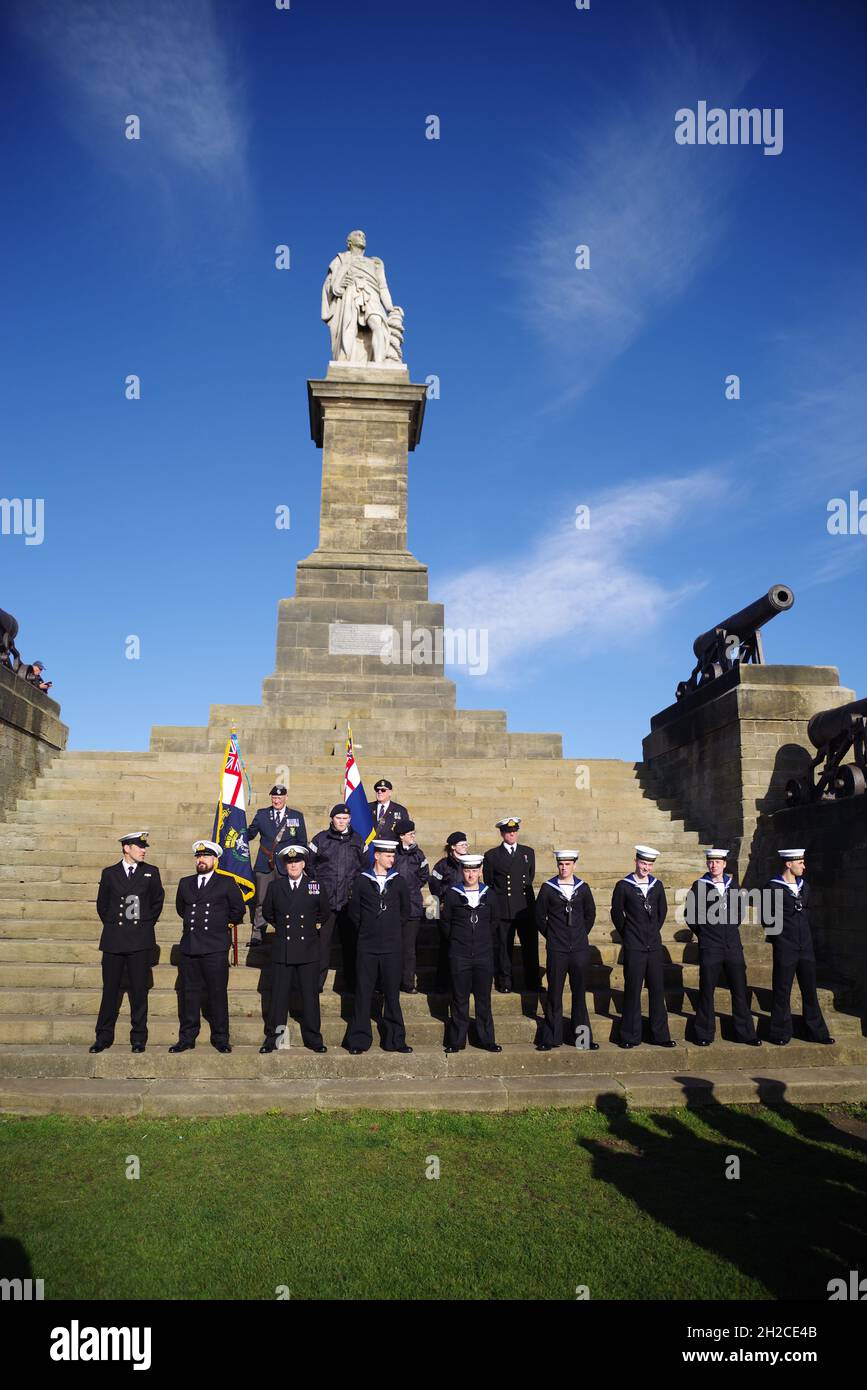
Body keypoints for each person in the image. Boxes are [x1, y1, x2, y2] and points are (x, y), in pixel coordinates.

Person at [90, 831, 164, 1054]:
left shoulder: (151, 872)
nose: (144, 850)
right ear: (126, 848)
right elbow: (102, 905)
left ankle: (138, 1037)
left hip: (140, 941)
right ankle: (103, 1036)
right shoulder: (110, 873)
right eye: (140, 847)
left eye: (145, 847)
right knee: (110, 991)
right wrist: (114, 926)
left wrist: (142, 926)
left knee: (139, 991)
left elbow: (156, 903)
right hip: (114, 940)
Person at [170, 840, 246, 1054]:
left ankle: (221, 1037)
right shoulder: (185, 883)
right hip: (191, 946)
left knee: (217, 993)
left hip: (215, 946)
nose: (201, 860)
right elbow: (180, 909)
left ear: (215, 860)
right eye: (198, 857)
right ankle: (187, 1037)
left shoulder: (227, 882)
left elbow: (238, 910)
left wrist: (220, 926)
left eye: (206, 857)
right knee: (189, 994)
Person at [342, 839, 412, 1054]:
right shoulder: (362, 881)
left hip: (391, 947)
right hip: (367, 946)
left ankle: (395, 1040)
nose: (392, 858)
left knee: (392, 994)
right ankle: (358, 1040)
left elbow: (404, 912)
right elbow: (354, 913)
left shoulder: (398, 881)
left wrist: (389, 929)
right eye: (388, 855)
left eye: (393, 855)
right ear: (377, 856)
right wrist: (369, 929)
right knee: (363, 993)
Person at [684, 848, 760, 1047]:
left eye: (717, 861)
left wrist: (727, 928)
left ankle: (745, 1033)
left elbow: (739, 911)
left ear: (725, 864)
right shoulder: (699, 886)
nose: (713, 865)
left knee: (739, 989)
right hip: (710, 945)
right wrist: (705, 932)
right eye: (710, 861)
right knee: (707, 989)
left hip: (732, 945)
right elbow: (690, 914)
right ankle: (703, 1033)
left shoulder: (732, 885)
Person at [761, 849, 834, 1047]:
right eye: (800, 862)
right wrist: (781, 940)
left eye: (803, 862)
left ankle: (816, 1032)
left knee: (810, 990)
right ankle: (779, 1032)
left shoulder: (805, 886)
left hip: (806, 947)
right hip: (786, 947)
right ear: (788, 864)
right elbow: (767, 919)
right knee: (782, 990)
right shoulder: (772, 887)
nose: (804, 866)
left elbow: (807, 912)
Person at [260, 846, 328, 1054]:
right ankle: (275, 1038)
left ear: (304, 864)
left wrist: (309, 927)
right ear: (284, 865)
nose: (293, 865)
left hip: (307, 948)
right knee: (279, 998)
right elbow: (269, 913)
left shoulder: (314, 885)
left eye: (297, 862)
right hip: (284, 948)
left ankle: (313, 1039)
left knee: (310, 997)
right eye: (289, 863)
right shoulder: (275, 887)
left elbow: (324, 912)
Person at [610, 846, 675, 1050]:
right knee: (632, 990)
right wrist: (628, 934)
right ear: (636, 861)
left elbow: (662, 912)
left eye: (649, 864)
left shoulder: (657, 885)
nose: (646, 867)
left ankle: (660, 1035)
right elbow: (617, 914)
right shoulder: (624, 885)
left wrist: (652, 931)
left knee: (657, 990)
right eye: (643, 863)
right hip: (634, 946)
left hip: (653, 946)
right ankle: (630, 1035)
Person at [535, 850, 599, 1051]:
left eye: (568, 864)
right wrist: (553, 936)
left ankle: (582, 1039)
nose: (564, 867)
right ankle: (551, 1038)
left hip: (579, 949)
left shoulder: (583, 888)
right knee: (554, 993)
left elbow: (590, 915)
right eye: (561, 864)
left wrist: (579, 935)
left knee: (579, 994)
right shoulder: (548, 888)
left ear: (575, 865)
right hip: (557, 949)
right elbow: (539, 917)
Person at [441, 854, 502, 1053]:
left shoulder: (489, 894)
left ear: (480, 872)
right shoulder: (452, 894)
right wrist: (459, 940)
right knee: (459, 999)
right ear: (462, 871)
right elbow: (446, 922)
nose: (470, 875)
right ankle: (457, 1041)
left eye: (474, 871)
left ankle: (487, 1040)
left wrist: (482, 939)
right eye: (467, 871)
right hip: (460, 954)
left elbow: (494, 921)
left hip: (484, 954)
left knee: (484, 999)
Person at [308, 804, 367, 992]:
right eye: (338, 818)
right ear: (332, 819)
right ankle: (316, 983)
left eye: (345, 818)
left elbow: (364, 867)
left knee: (351, 946)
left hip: (349, 902)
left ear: (350, 819)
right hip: (326, 902)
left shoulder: (358, 840)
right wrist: (319, 888)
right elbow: (309, 865)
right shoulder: (320, 839)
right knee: (322, 945)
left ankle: (352, 983)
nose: (341, 821)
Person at [483, 817, 540, 993]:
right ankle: (505, 982)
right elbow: (490, 882)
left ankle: (532, 982)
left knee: (530, 947)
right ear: (502, 833)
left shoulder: (528, 852)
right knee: (504, 948)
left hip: (525, 907)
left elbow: (529, 877)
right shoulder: (492, 856)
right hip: (504, 908)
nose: (512, 834)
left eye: (514, 830)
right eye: (508, 831)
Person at [246, 785, 307, 946]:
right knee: (261, 900)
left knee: (286, 899)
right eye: (274, 798)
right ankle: (257, 934)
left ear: (286, 798)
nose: (276, 800)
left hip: (286, 865)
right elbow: (249, 834)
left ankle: (285, 930)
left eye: (279, 798)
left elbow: (301, 841)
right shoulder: (262, 815)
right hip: (264, 864)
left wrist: (298, 864)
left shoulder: (296, 816)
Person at [428, 832, 469, 991]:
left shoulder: (471, 862)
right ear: (453, 847)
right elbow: (433, 886)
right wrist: (437, 908)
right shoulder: (442, 864)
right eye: (462, 844)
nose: (466, 847)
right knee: (446, 946)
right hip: (447, 910)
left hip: (465, 911)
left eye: (466, 844)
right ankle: (442, 983)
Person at [393, 821, 429, 992]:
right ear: (401, 836)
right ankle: (389, 981)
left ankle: (408, 983)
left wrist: (412, 890)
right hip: (392, 907)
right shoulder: (392, 852)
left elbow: (424, 876)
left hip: (412, 906)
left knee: (409, 949)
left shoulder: (419, 855)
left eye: (414, 833)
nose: (413, 836)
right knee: (391, 947)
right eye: (410, 834)